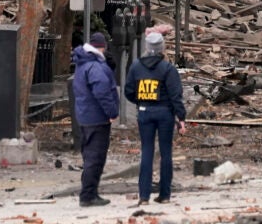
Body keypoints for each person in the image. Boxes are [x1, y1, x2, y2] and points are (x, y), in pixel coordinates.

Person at [124, 31, 187, 205]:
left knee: (147, 151)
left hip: (145, 112)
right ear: (162, 49)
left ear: (147, 47)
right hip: (165, 113)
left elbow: (128, 91)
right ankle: (165, 195)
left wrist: (141, 101)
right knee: (166, 153)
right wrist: (181, 117)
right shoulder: (168, 68)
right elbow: (176, 96)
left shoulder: (136, 66)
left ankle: (144, 196)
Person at [72, 32, 119, 208]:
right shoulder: (95, 67)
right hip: (97, 118)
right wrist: (112, 112)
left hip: (85, 116)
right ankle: (88, 196)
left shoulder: (82, 64)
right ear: (103, 47)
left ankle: (90, 193)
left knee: (89, 157)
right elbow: (102, 92)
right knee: (95, 158)